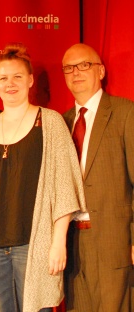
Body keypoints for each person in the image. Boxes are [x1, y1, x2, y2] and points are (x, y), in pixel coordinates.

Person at [0, 43, 86, 312]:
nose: (10, 84)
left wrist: (58, 243)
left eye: (17, 77)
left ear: (30, 80)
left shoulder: (50, 123)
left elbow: (64, 188)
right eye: (3, 78)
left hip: (33, 245)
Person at [62, 43, 134, 312]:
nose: (76, 72)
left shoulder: (125, 112)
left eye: (84, 65)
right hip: (72, 244)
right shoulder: (62, 122)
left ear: (100, 71)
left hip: (113, 240)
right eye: (68, 68)